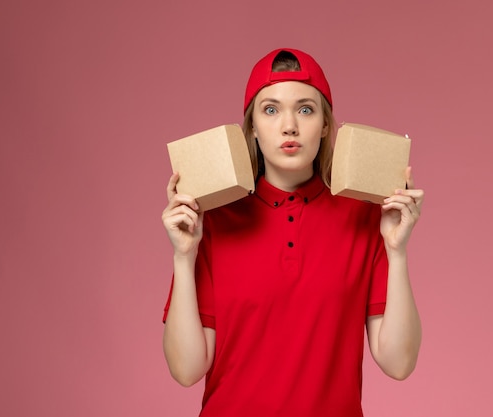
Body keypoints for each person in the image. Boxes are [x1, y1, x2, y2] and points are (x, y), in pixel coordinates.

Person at [161, 48, 424, 417]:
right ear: (251, 126)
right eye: (270, 109)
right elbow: (186, 370)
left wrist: (397, 251)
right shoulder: (213, 221)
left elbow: (398, 363)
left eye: (305, 109)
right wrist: (182, 255)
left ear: (326, 125)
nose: (290, 126)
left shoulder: (366, 218)